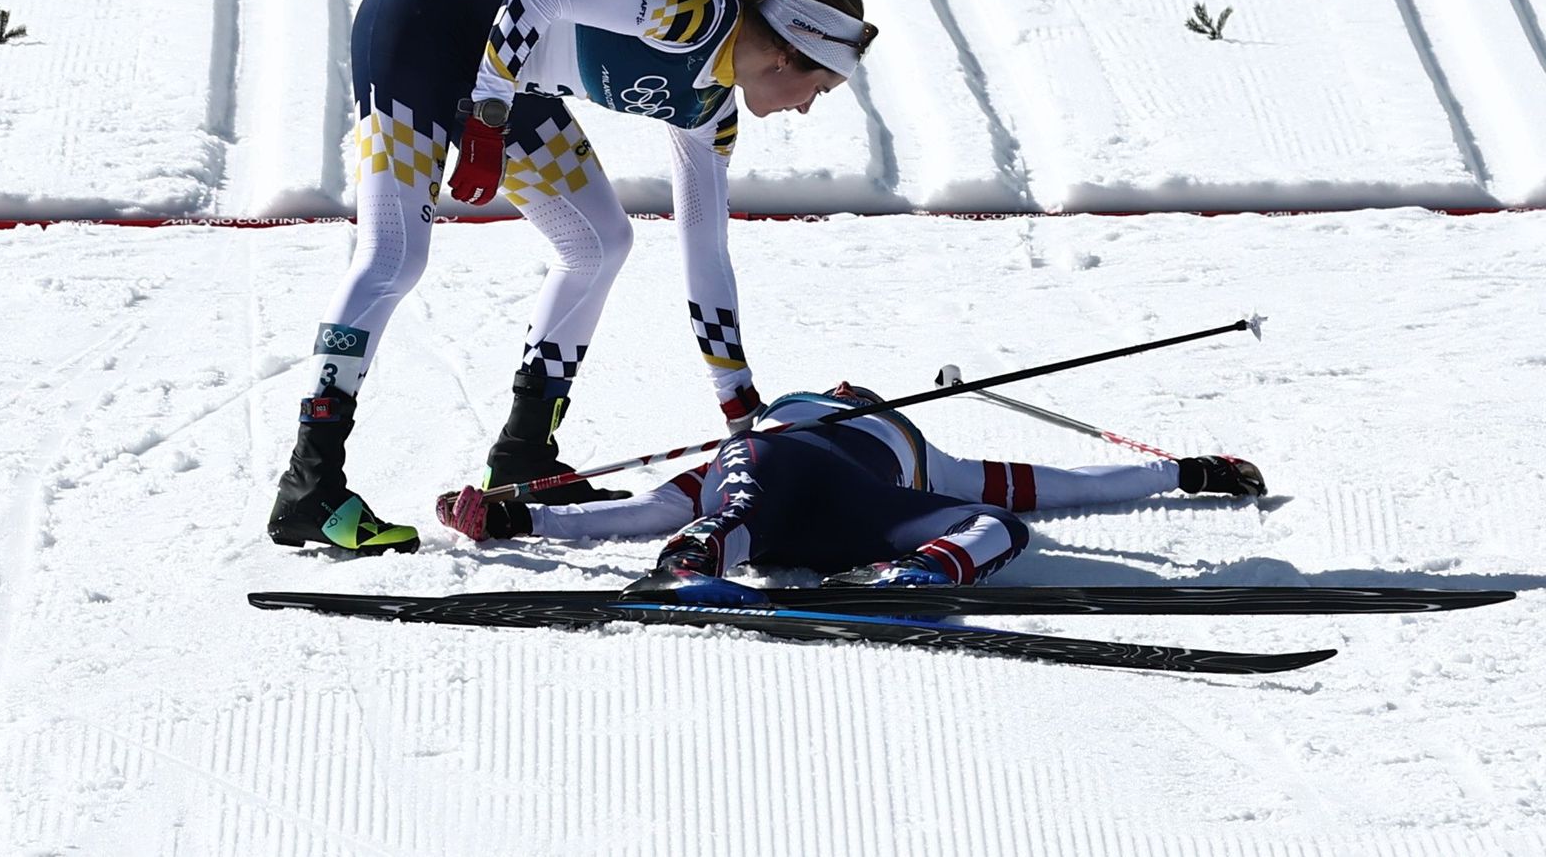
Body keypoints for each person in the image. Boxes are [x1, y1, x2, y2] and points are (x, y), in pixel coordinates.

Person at [267, 0, 878, 554]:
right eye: (820, 89)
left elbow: (705, 252)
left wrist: (738, 402)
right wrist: (488, 113)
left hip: (503, 78)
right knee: (393, 256)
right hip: (423, 22)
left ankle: (523, 457)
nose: (806, 110)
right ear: (788, 56)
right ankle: (309, 484)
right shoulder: (690, 6)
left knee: (598, 243)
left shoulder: (710, 111)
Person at [435, 384, 1266, 602]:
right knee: (738, 507)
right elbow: (654, 506)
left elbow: (1051, 487)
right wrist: (521, 514)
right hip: (782, 490)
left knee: (999, 524)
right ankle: (693, 564)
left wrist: (1183, 472)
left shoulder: (921, 449)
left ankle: (923, 574)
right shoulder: (765, 432)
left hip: (859, 520)